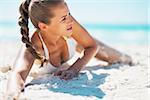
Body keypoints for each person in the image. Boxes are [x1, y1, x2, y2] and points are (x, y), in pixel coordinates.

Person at [5, 0, 132, 99]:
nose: (70, 19)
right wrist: (14, 95)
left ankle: (128, 58)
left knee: (122, 58)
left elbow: (92, 46)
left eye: (69, 14)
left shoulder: (69, 25)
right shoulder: (35, 45)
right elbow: (18, 74)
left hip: (78, 42)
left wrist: (74, 69)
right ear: (43, 26)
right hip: (69, 43)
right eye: (64, 18)